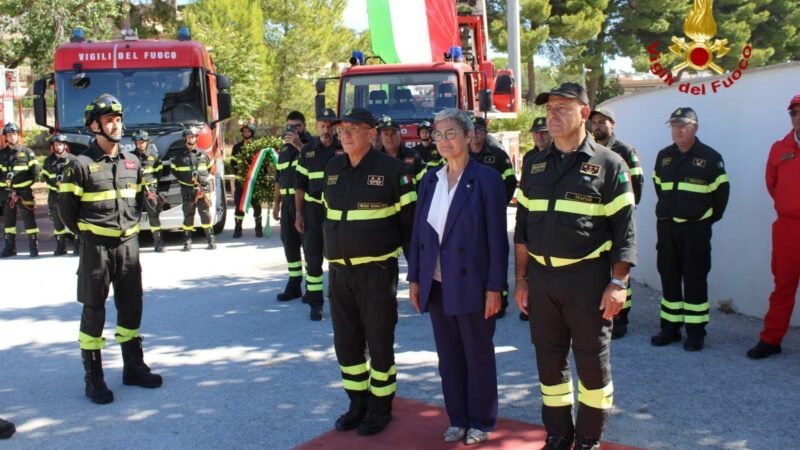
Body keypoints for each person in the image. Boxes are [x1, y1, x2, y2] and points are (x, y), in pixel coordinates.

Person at [514, 82, 636, 450]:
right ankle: (558, 432)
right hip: (542, 278)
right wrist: (520, 279)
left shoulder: (610, 164)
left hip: (587, 278)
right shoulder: (534, 164)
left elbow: (625, 231)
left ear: (584, 113)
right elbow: (521, 229)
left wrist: (618, 282)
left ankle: (587, 437)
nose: (553, 115)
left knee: (591, 362)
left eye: (562, 108)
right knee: (549, 362)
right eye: (549, 108)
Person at [407, 108, 508, 445]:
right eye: (438, 134)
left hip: (473, 285)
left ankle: (481, 420)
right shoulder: (429, 179)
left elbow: (497, 239)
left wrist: (495, 287)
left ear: (468, 136)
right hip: (437, 284)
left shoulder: (487, 180)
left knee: (477, 355)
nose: (444, 141)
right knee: (449, 357)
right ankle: (459, 418)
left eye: (451, 133)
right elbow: (419, 234)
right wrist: (415, 279)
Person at [58, 94, 162, 405]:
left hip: (129, 244)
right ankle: (94, 378)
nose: (115, 125)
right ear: (94, 127)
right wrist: (89, 236)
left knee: (132, 304)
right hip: (96, 247)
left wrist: (156, 202)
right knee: (94, 309)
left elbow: (142, 199)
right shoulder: (79, 165)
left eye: (118, 119)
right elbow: (67, 211)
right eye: (108, 120)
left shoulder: (133, 162)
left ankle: (133, 367)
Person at [324, 108, 415, 436]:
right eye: (341, 129)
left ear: (371, 133)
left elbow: (409, 227)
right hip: (339, 273)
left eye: (353, 129)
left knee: (378, 341)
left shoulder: (393, 171)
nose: (344, 134)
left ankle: (380, 407)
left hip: (376, 273)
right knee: (346, 344)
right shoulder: (333, 167)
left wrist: (415, 275)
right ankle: (356, 403)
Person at [651, 107, 729, 352]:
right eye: (674, 126)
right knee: (669, 276)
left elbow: (721, 196)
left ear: (694, 127)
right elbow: (658, 186)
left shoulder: (710, 157)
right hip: (667, 228)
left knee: (695, 279)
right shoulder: (664, 156)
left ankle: (695, 332)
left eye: (683, 125)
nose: (678, 130)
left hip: (696, 230)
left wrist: (702, 219)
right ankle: (670, 328)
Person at [747, 94, 800, 359]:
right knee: (783, 286)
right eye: (794, 112)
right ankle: (771, 339)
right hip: (788, 229)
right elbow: (773, 185)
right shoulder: (780, 148)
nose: (798, 116)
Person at [589, 106, 645, 339]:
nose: (598, 126)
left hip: (618, 217)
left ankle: (621, 316)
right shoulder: (589, 149)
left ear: (613, 124)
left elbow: (637, 184)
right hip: (597, 220)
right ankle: (602, 311)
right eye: (595, 122)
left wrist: (625, 211)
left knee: (620, 265)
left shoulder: (624, 150)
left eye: (603, 121)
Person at [295, 108, 342, 320]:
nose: (326, 129)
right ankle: (315, 302)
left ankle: (340, 300)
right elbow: (300, 186)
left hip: (338, 211)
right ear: (316, 127)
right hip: (313, 210)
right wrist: (298, 214)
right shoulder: (307, 151)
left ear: (335, 128)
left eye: (330, 125)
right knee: (313, 256)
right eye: (322, 125)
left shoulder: (344, 148)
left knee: (339, 258)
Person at [468, 116, 516, 317]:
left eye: (479, 129)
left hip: (492, 215)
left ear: (485, 132)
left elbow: (510, 181)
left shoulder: (497, 156)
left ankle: (501, 296)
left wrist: (498, 204)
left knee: (496, 252)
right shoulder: (462, 155)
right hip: (469, 217)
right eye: (473, 129)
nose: (476, 133)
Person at [273, 111, 312, 301]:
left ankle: (313, 288)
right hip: (287, 203)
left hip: (306, 202)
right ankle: (294, 283)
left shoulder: (311, 144)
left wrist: (299, 145)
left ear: (304, 125)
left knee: (310, 245)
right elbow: (278, 178)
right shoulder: (284, 148)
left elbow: (316, 164)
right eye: (290, 126)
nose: (293, 130)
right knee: (289, 243)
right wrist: (275, 204)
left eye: (297, 126)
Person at [173, 126, 216, 251]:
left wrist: (203, 183)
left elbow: (210, 169)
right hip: (187, 190)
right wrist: (186, 182)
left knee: (205, 215)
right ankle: (187, 241)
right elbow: (175, 172)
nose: (191, 139)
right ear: (185, 138)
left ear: (196, 138)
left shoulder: (204, 154)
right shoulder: (178, 157)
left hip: (202, 189)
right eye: (188, 137)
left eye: (193, 136)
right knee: (188, 215)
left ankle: (211, 240)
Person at [1, 122, 41, 257]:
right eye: (9, 134)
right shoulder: (1, 154)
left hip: (24, 192)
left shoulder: (27, 153)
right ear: (5, 137)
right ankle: (9, 248)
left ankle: (33, 248)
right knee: (8, 222)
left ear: (18, 135)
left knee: (29, 220)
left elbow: (35, 173)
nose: (12, 137)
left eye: (14, 134)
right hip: (6, 193)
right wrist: (4, 185)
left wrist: (25, 185)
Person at [42, 134, 77, 256]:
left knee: (73, 219)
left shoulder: (73, 159)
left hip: (69, 196)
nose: (58, 147)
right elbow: (45, 178)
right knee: (57, 222)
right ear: (53, 146)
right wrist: (54, 186)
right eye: (56, 145)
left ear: (65, 145)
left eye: (61, 144)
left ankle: (77, 246)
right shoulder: (48, 161)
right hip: (54, 196)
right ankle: (61, 247)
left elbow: (77, 178)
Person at [131, 130, 165, 252]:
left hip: (150, 190)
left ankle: (158, 243)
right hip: (135, 190)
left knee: (154, 216)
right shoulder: (130, 156)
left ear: (146, 141)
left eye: (142, 142)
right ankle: (132, 245)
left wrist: (154, 187)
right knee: (133, 217)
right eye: (137, 142)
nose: (139, 144)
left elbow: (159, 172)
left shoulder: (154, 156)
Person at [231, 124, 263, 238]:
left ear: (252, 133)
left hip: (254, 181)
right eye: (244, 132)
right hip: (241, 181)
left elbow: (263, 163)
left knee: (256, 205)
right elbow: (233, 163)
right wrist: (240, 173)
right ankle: (238, 229)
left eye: (248, 132)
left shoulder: (258, 147)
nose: (246, 134)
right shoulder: (236, 147)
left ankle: (258, 229)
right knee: (239, 205)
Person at [377, 115, 427, 186]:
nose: (389, 137)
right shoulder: (376, 158)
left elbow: (424, 184)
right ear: (381, 137)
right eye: (386, 134)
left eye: (393, 134)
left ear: (400, 136)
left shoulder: (414, 156)